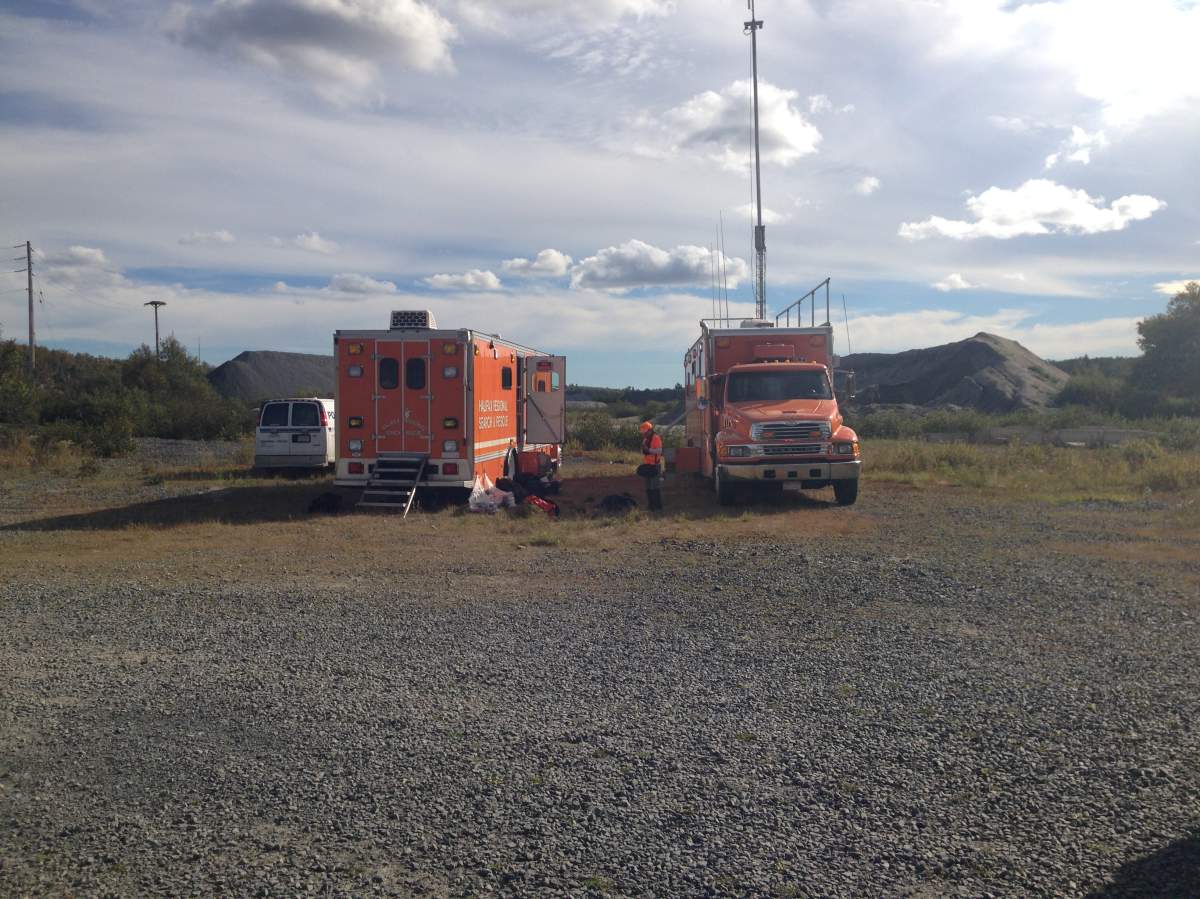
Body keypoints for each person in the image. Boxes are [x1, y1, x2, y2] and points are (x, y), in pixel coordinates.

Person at [639, 421, 664, 511]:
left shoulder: (656, 438)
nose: (644, 434)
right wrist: (644, 449)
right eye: (643, 433)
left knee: (654, 487)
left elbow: (659, 451)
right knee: (648, 487)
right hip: (647, 466)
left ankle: (658, 507)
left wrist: (648, 450)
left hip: (655, 466)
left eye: (645, 432)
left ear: (650, 430)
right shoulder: (646, 439)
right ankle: (651, 506)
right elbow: (644, 452)